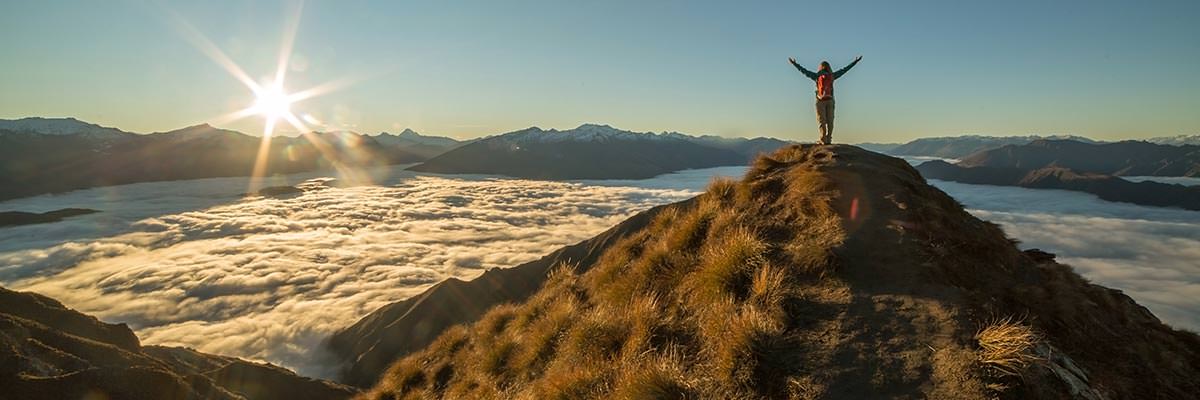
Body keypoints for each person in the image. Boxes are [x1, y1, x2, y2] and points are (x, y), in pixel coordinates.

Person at [789, 55, 862, 145]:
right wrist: (855, 62)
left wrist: (794, 64)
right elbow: (844, 70)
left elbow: (804, 71)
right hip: (830, 100)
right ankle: (829, 139)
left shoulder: (816, 76)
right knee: (830, 120)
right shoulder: (832, 76)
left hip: (820, 101)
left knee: (821, 120)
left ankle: (823, 139)